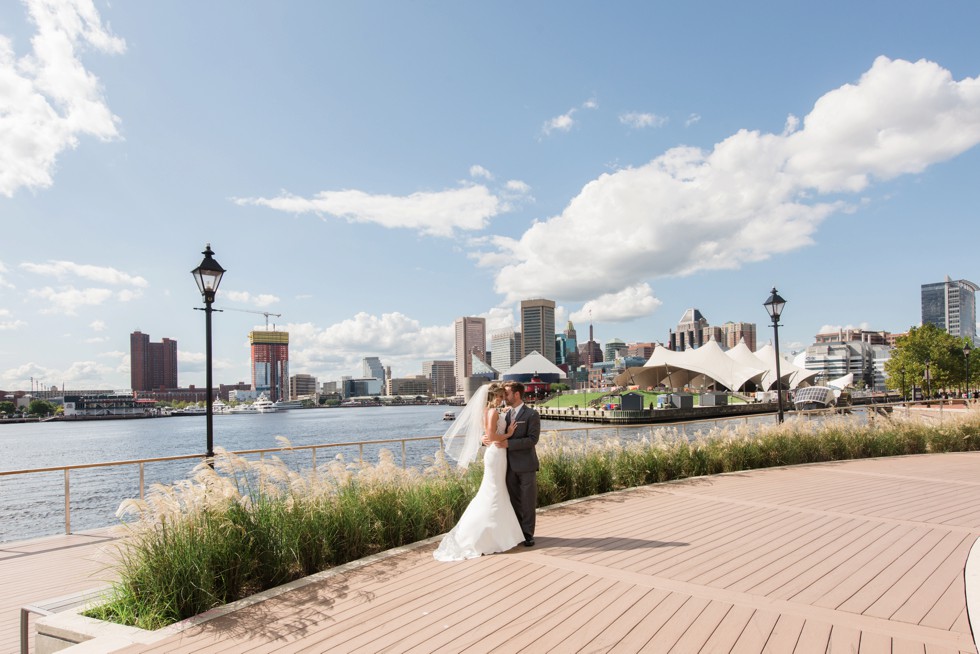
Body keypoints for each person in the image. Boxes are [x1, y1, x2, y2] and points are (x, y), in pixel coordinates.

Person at [434, 382, 524, 561]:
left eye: (502, 396)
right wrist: (509, 433)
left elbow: (488, 434)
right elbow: (491, 437)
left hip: (498, 454)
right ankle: (487, 536)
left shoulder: (489, 412)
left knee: (496, 491)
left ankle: (498, 535)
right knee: (493, 491)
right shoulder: (492, 412)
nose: (501, 399)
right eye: (498, 396)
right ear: (492, 396)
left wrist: (502, 423)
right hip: (497, 453)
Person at [486, 381, 540, 547]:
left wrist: (510, 444)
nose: (504, 397)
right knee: (513, 501)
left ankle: (528, 534)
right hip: (506, 465)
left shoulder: (532, 414)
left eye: (507, 394)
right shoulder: (505, 414)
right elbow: (493, 433)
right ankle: (517, 533)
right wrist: (484, 439)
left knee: (528, 501)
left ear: (516, 394)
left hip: (526, 465)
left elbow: (532, 440)